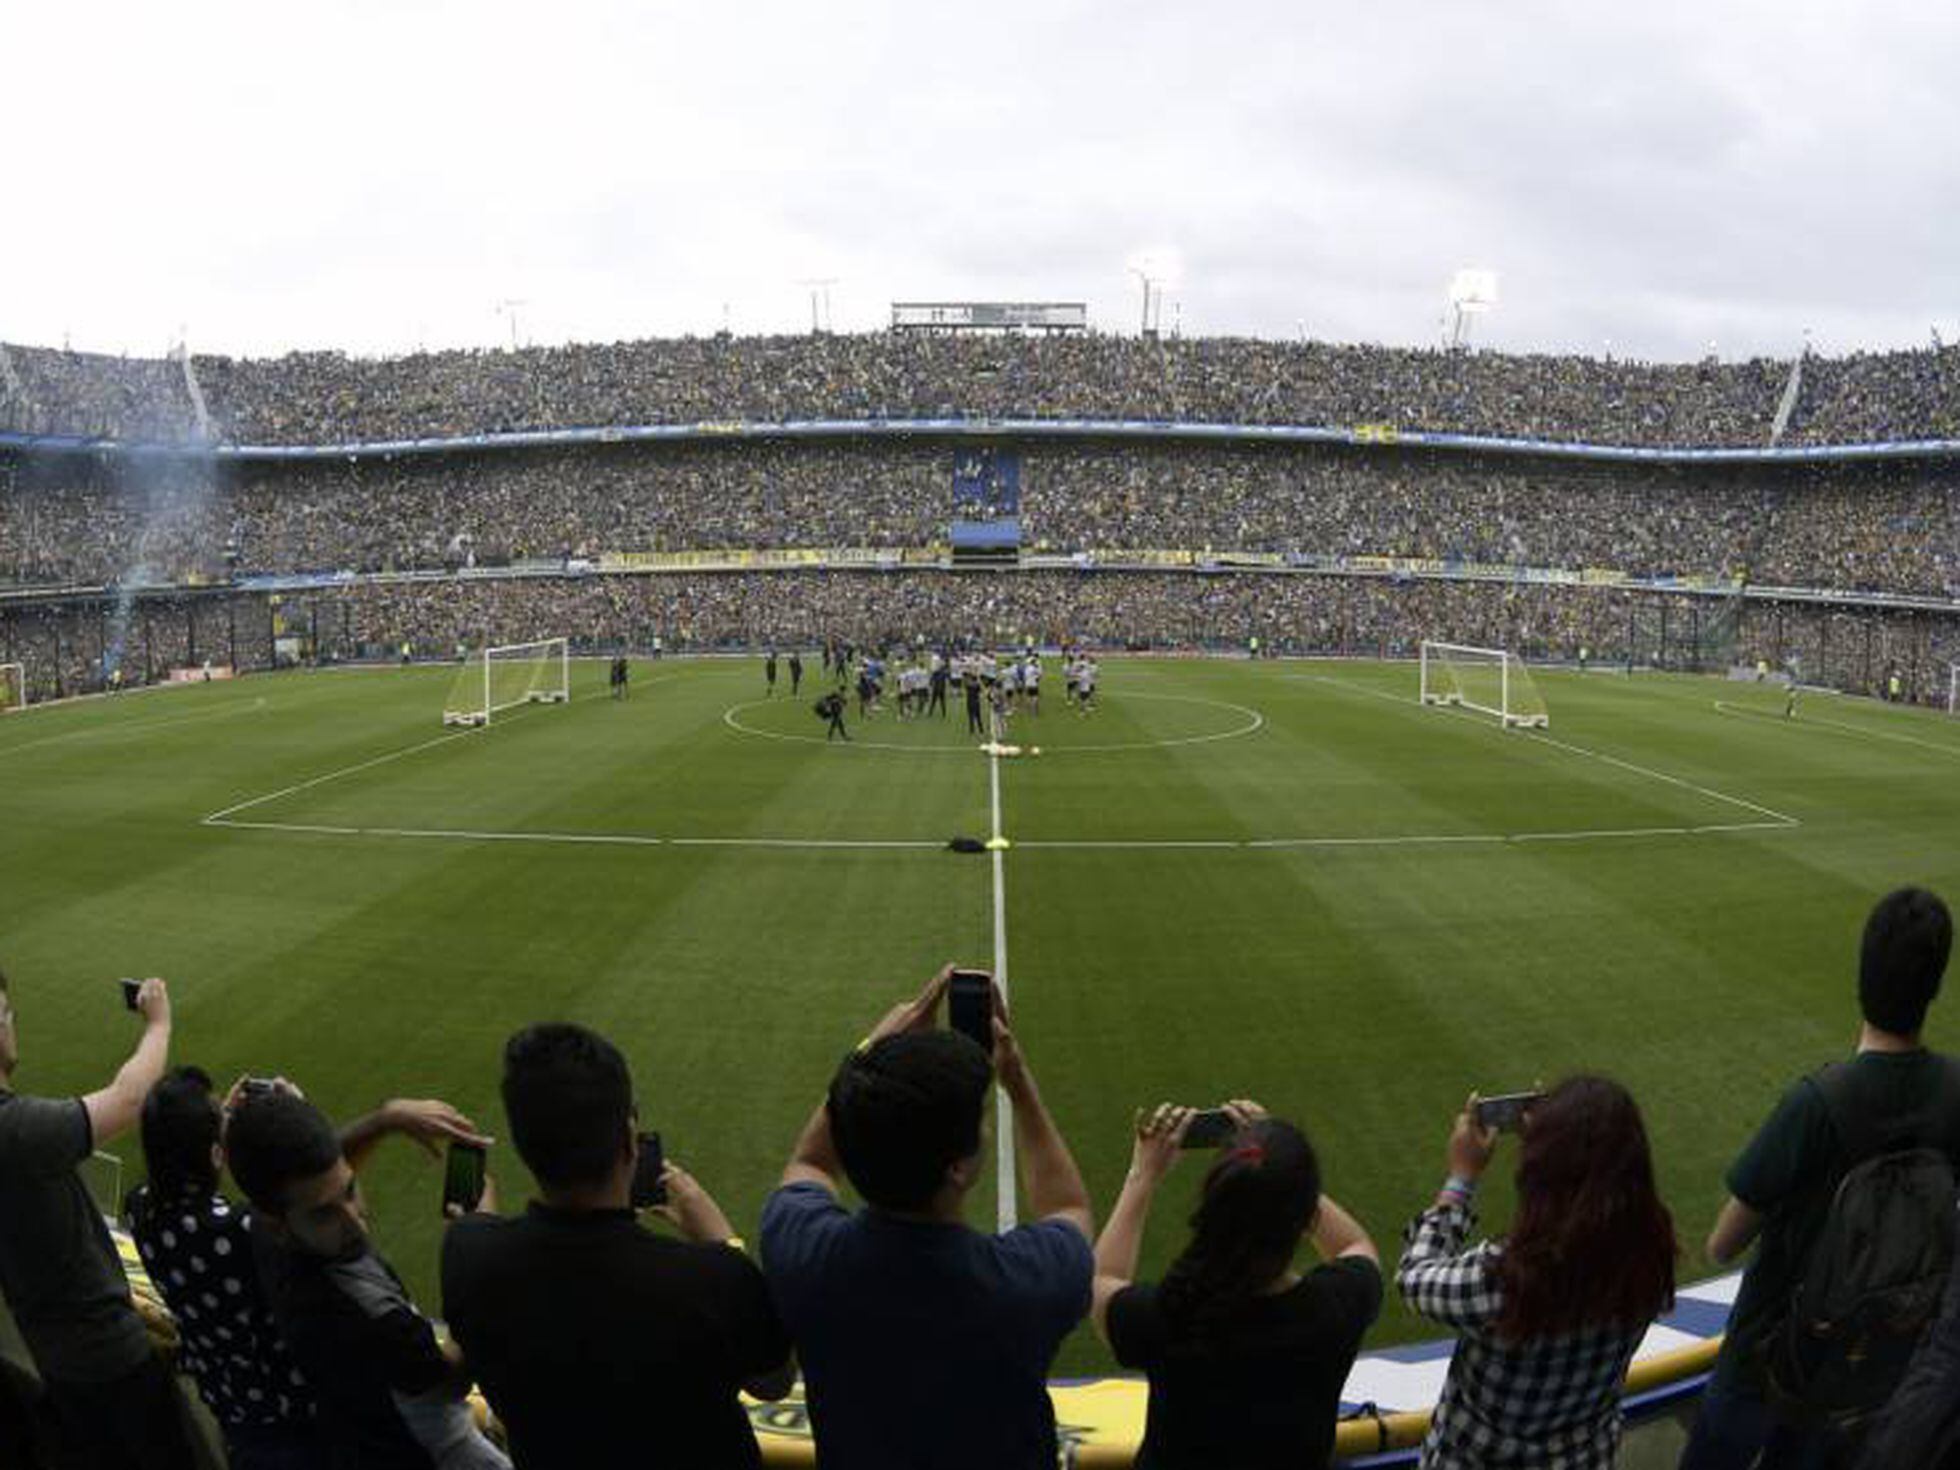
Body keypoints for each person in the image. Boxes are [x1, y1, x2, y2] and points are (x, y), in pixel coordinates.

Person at [761, 968, 1094, 1470]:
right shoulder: (1026, 1282)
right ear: (959, 1167)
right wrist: (1018, 1083)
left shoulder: (804, 1251)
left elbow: (809, 1163)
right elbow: (1069, 1209)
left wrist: (869, 1057)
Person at [1681, 887, 1960, 1470]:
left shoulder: (1817, 1102)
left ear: (1863, 973)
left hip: (1771, 1357)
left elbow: (1722, 1242)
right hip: (1873, 1357)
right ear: (1933, 984)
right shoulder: (1952, 1091)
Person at [443, 1024, 791, 1469]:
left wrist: (476, 1224)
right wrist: (723, 1238)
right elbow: (774, 1381)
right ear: (629, 1137)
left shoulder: (470, 1254)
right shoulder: (716, 1277)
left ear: (523, 1144)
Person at [1398, 1077, 1677, 1469]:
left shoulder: (1503, 1279)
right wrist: (1556, 1139)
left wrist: (1461, 1178)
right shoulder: (1651, 1248)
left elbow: (1413, 1277)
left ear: (1540, 1170)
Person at [224, 1087, 508, 1470]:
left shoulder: (266, 1228)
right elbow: (451, 1380)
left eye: (351, 1189)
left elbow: (321, 1175)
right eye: (326, 1214)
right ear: (279, 1223)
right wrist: (474, 1251)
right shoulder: (370, 1316)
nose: (354, 1222)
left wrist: (385, 1120)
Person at [1090, 1100, 1381, 1470]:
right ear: (1305, 1214)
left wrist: (1142, 1175)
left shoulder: (1168, 1316)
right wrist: (1282, 1175)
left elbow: (1101, 1282)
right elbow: (1355, 1246)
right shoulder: (1335, 1307)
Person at [0, 969, 198, 1470]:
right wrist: (158, 1025)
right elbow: (129, 1099)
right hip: (105, 1354)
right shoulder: (17, 1130)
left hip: (52, 1349)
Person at [127, 1068, 320, 1470]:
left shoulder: (139, 1210)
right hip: (294, 1417)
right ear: (217, 1153)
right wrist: (301, 1117)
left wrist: (216, 1126)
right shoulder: (241, 1230)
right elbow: (321, 1209)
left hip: (231, 1408)